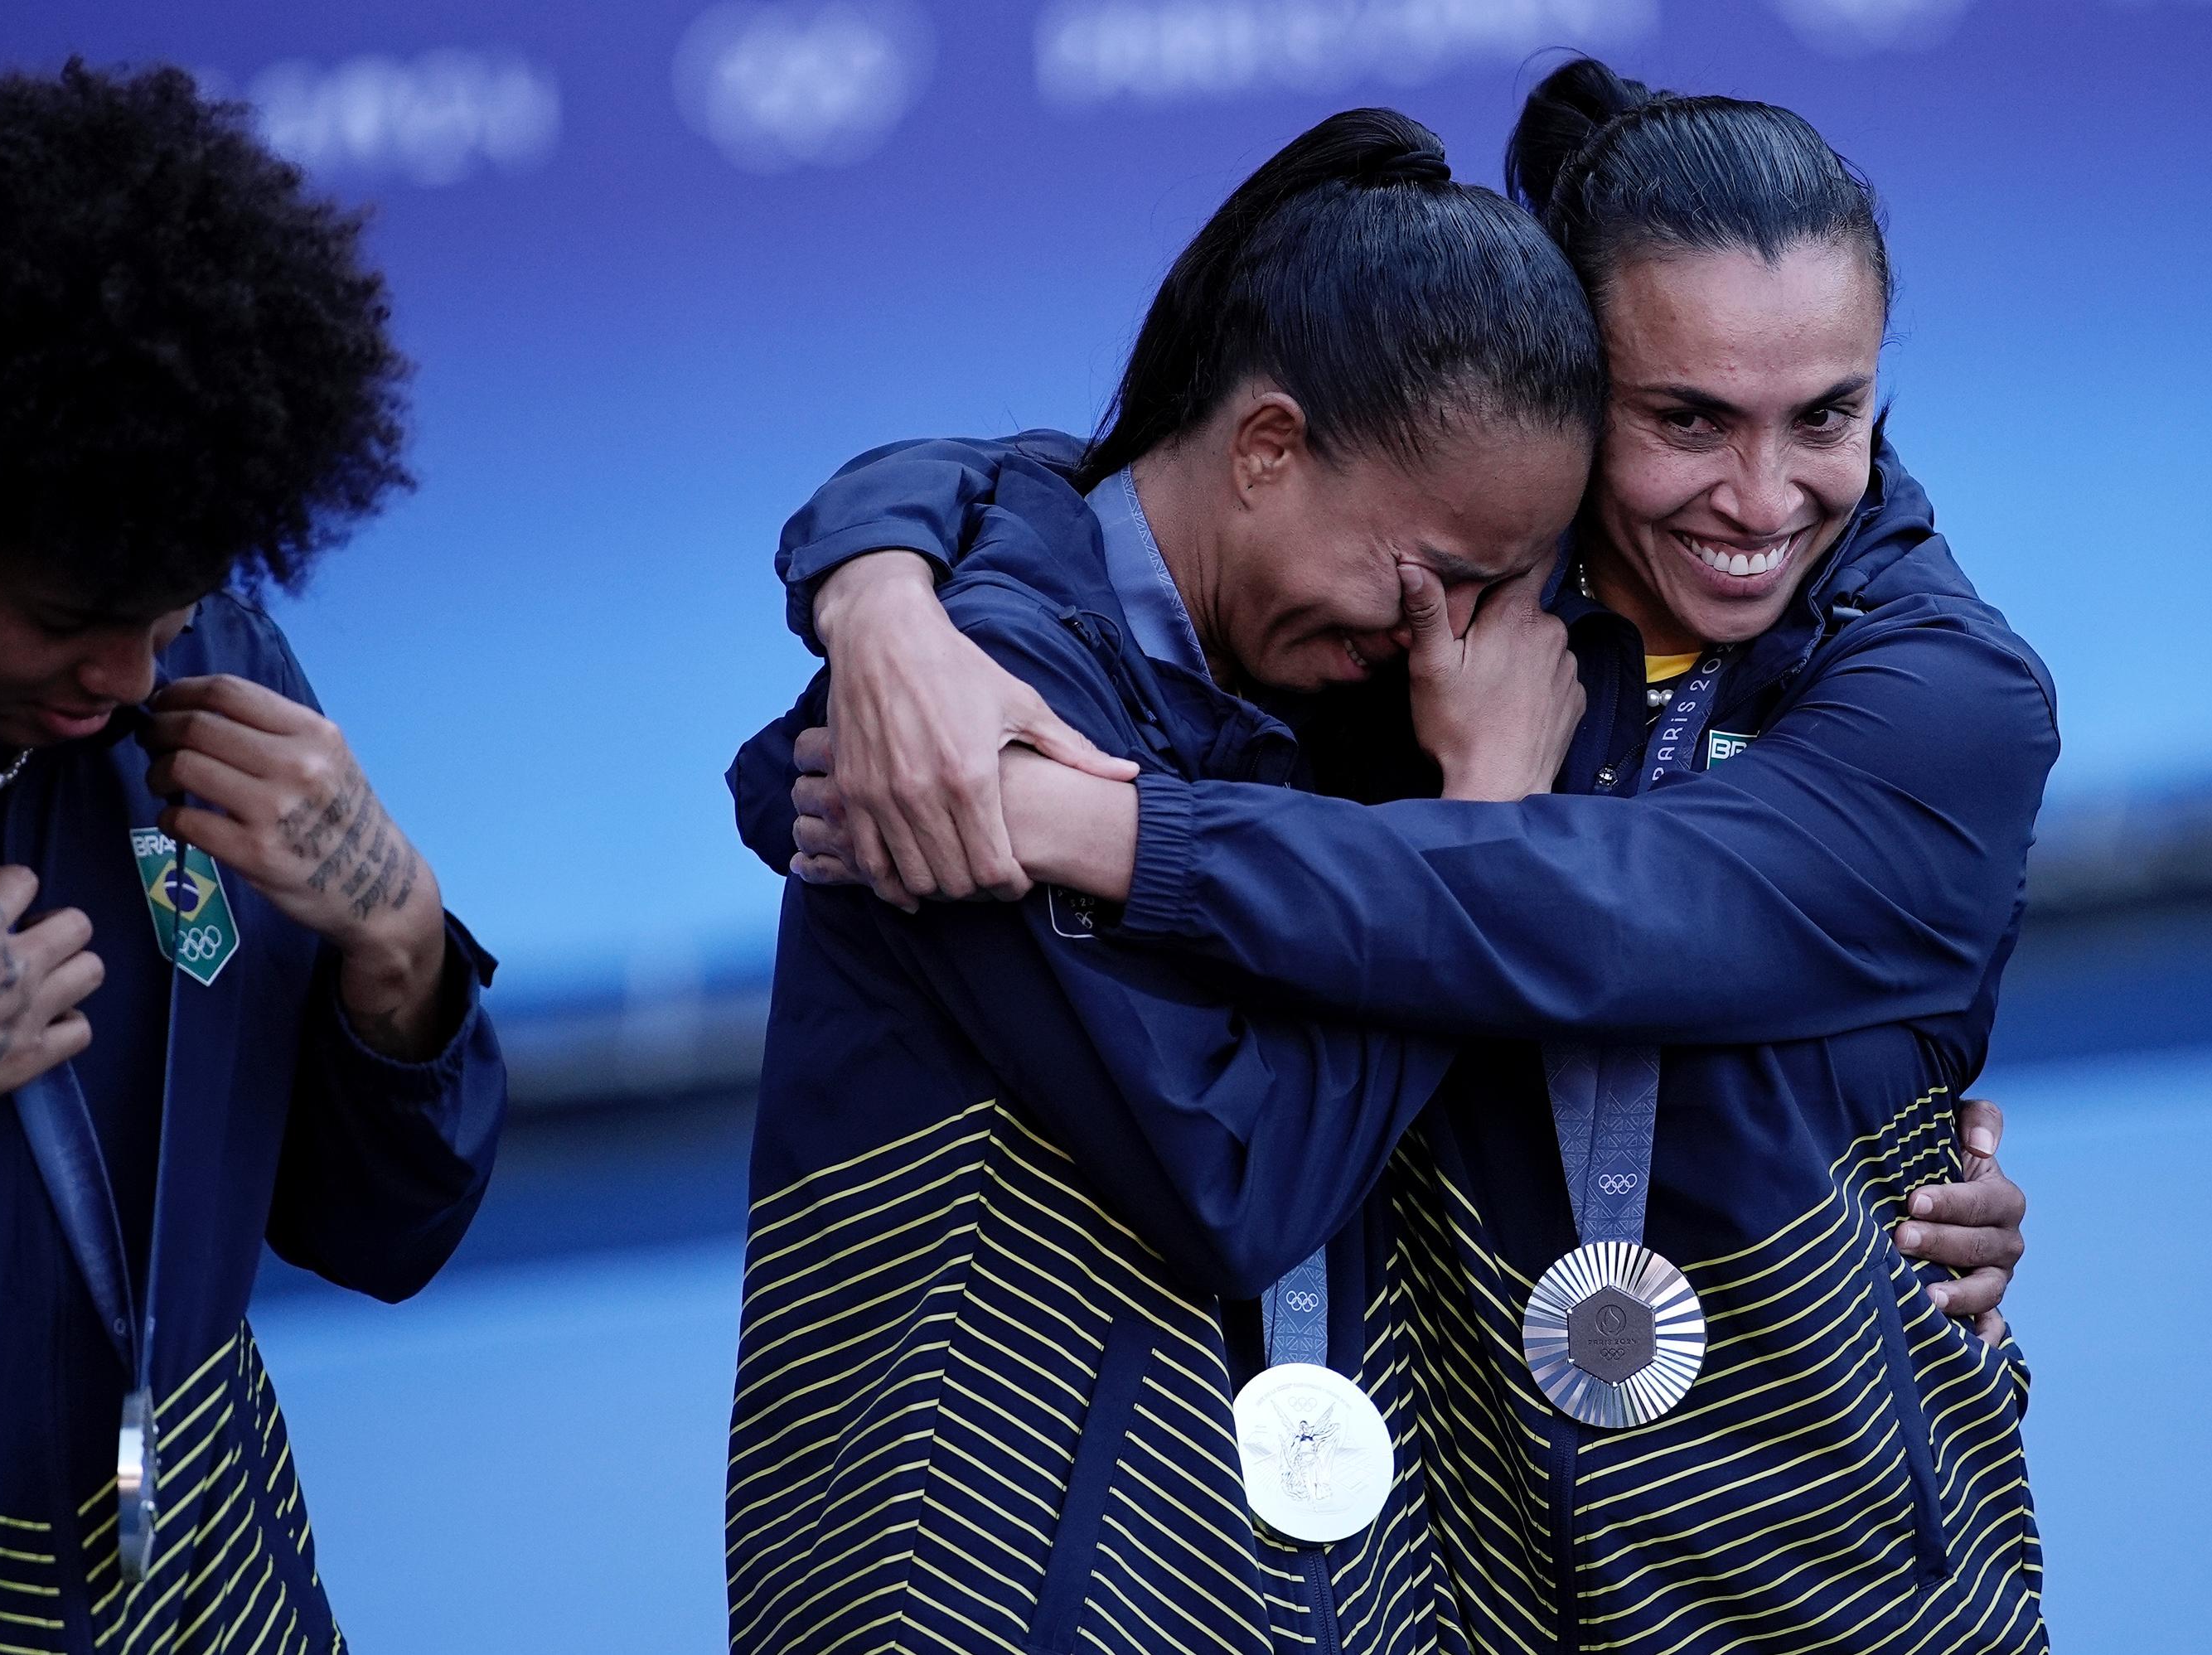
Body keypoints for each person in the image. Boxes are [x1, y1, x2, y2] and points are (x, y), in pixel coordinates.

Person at [740, 62, 2048, 1653]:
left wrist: (1095, 828)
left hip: (1840, 1587)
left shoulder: (1940, 697)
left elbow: (1614, 913)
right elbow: (1076, 505)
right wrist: (876, 586)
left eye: (1825, 414)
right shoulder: (1408, 643)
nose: (1763, 496)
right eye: (1685, 416)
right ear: (1565, 394)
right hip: (1465, 1582)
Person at [725, 109, 1619, 1654]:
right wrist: (1479, 823)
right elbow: (1241, 1181)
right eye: (1435, 574)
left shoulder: (1341, 695)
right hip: (988, 1596)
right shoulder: (983, 689)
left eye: (1498, 591)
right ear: (1268, 448)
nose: (1452, 639)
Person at [0, 65, 505, 1653]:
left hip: (225, 1607)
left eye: (165, 615)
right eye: (63, 620)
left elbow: (385, 1237)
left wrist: (407, 956)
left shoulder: (216, 676)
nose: (124, 678)